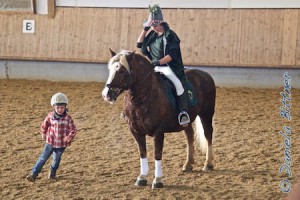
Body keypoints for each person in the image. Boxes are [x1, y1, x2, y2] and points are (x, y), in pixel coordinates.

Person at [136, 4, 190, 126]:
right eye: (152, 26)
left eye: (154, 25)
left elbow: (171, 56)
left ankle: (183, 113)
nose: (153, 28)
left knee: (178, 86)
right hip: (155, 67)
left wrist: (158, 62)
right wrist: (145, 29)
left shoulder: (170, 35)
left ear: (161, 23)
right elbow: (139, 45)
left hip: (169, 67)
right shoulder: (152, 34)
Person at [26, 93, 77, 182]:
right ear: (54, 107)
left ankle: (52, 173)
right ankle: (33, 174)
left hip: (61, 144)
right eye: (58, 107)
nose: (60, 109)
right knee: (43, 158)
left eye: (62, 107)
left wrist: (69, 136)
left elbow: (73, 129)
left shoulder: (68, 118)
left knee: (56, 160)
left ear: (65, 107)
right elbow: (44, 125)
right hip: (50, 142)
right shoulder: (50, 116)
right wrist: (43, 132)